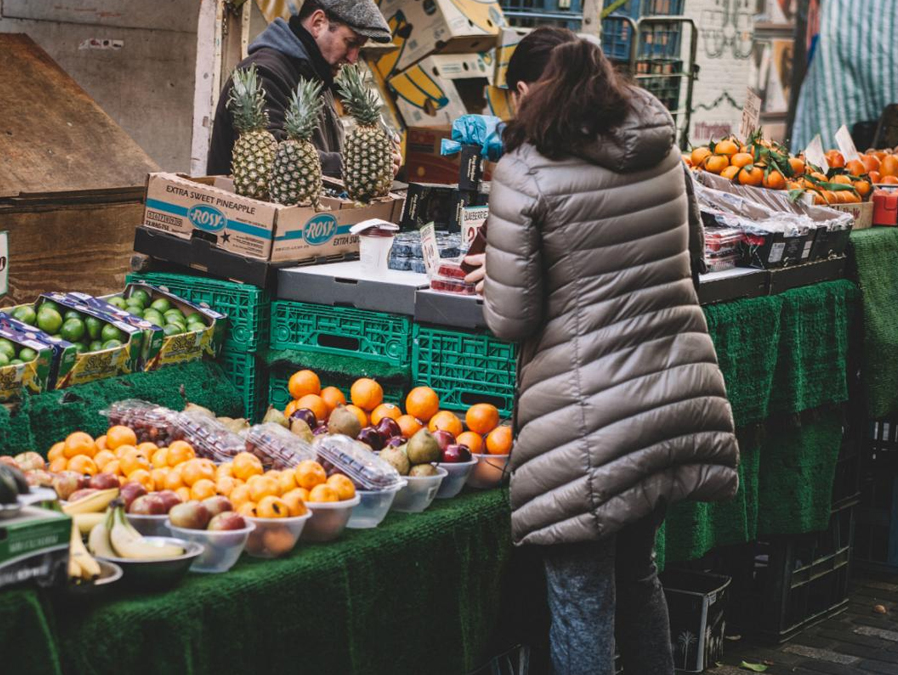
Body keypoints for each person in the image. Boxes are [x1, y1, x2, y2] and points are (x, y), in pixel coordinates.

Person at [465, 28, 740, 675]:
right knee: (637, 573)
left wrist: (496, 276)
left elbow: (511, 318)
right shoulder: (661, 150)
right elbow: (684, 262)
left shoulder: (526, 172)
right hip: (674, 394)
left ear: (530, 90)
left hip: (589, 416)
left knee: (582, 598)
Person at [207, 0, 397, 180]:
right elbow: (273, 160)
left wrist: (374, 160)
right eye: (350, 42)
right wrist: (358, 165)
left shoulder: (317, 75)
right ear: (318, 23)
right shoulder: (263, 73)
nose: (353, 58)